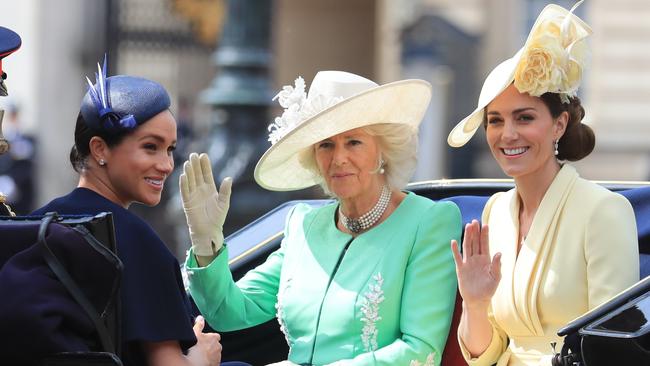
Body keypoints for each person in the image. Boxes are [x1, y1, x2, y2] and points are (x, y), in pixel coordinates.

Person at [181, 70, 461, 365]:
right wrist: (206, 242)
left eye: (353, 142)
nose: (338, 158)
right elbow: (228, 312)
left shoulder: (428, 222)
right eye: (326, 144)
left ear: (383, 150)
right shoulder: (304, 225)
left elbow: (419, 350)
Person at [447, 3, 639, 365]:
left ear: (559, 124)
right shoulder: (496, 211)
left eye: (524, 117)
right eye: (495, 120)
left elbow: (612, 351)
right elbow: (484, 355)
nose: (508, 134)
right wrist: (474, 302)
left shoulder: (604, 211)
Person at [32, 60, 225, 366]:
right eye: (151, 147)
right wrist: (204, 356)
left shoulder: (38, 223)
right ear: (99, 149)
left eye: (170, 149)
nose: (166, 165)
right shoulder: (134, 239)